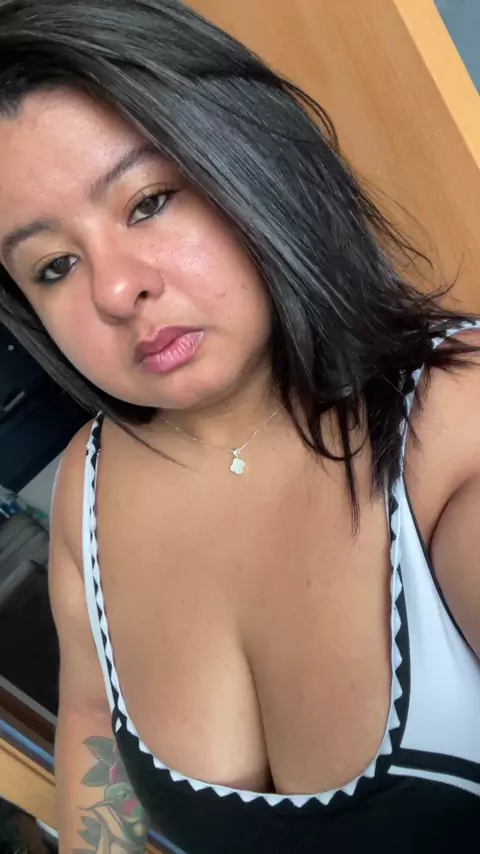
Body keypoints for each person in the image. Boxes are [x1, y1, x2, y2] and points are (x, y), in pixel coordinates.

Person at [0, 0, 479, 851]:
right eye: (55, 265)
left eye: (149, 202)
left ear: (251, 158)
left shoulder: (455, 421)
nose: (116, 290)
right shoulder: (86, 493)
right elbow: (96, 751)